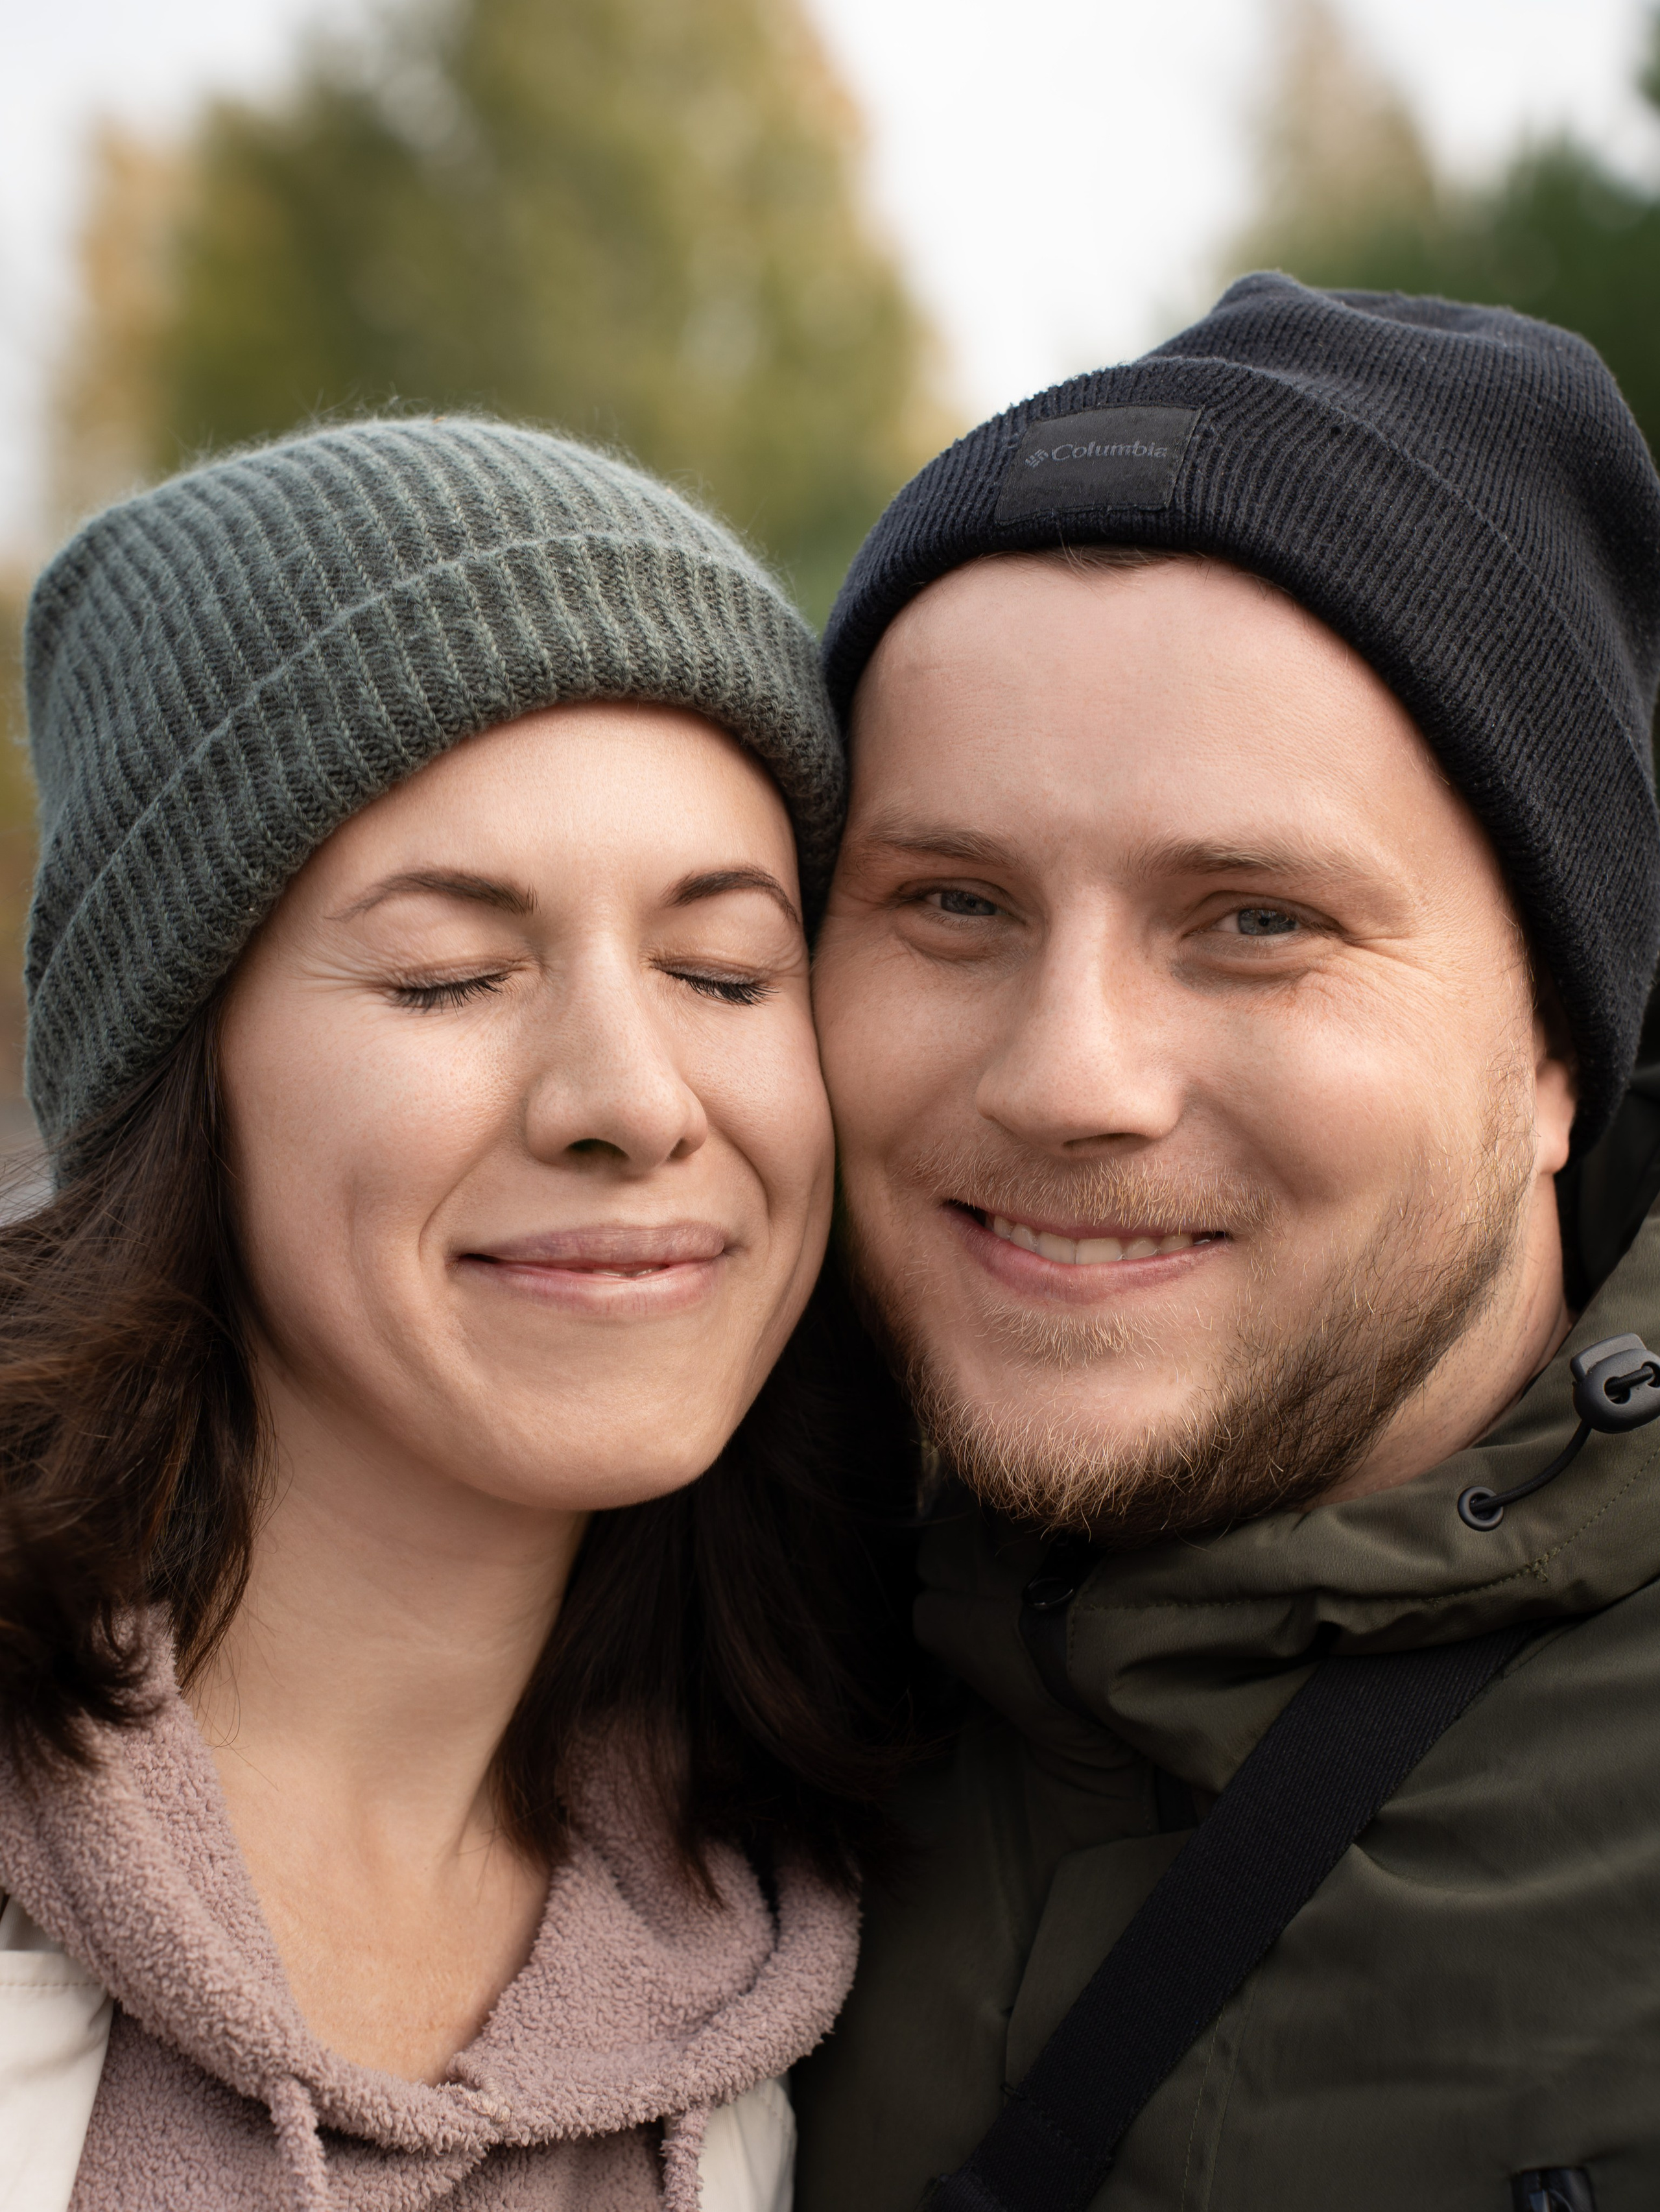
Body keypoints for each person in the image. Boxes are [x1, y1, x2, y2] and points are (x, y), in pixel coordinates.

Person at [792, 274, 1660, 2208]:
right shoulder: (667, 1650)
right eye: (949, 898)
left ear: (1554, 1053)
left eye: (1257, 919)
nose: (1069, 1078)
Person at [0, 417, 894, 2211]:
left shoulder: (850, 1866)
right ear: (185, 1080)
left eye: (725, 969)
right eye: (448, 975)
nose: (634, 1099)